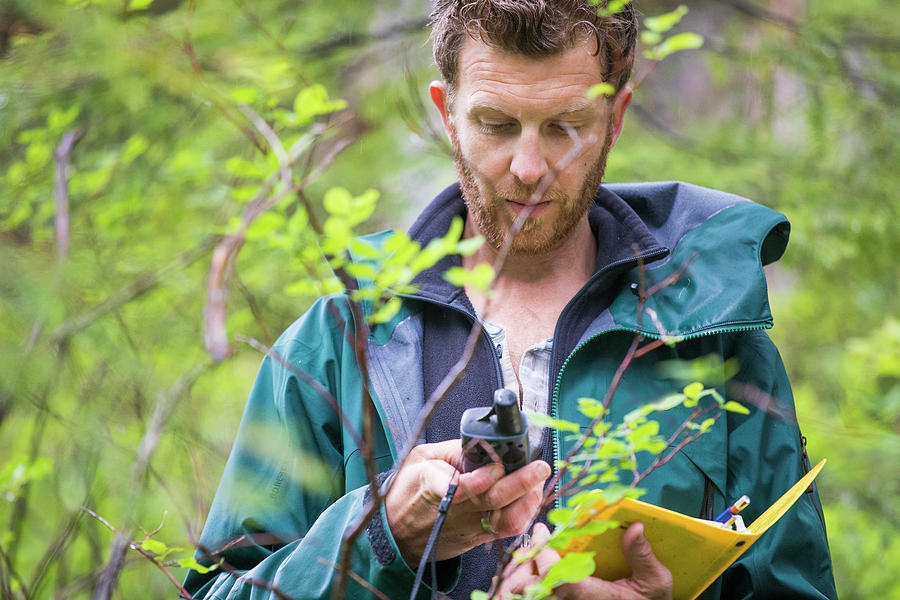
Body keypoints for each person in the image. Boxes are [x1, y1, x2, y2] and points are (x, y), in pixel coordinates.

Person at [185, 1, 837, 599]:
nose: (529, 166)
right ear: (446, 113)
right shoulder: (340, 341)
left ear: (616, 118)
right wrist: (381, 533)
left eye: (565, 126)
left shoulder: (716, 335)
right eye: (496, 124)